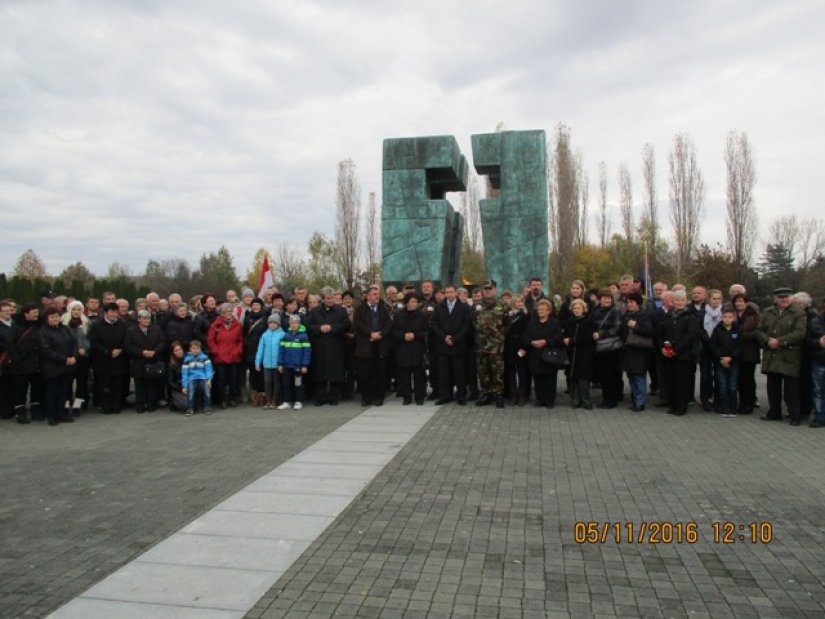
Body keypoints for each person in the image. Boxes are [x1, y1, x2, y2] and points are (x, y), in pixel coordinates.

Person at [756, 287, 807, 426]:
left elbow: (800, 333)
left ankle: (794, 415)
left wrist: (780, 341)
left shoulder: (798, 313)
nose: (784, 299)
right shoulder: (767, 312)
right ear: (775, 299)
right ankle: (774, 412)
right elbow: (759, 330)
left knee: (791, 388)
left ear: (791, 298)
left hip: (789, 354)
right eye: (781, 297)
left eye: (786, 297)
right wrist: (767, 340)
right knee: (773, 386)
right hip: (771, 354)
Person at [305, 287, 350, 406]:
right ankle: (320, 397)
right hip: (319, 347)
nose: (331, 301)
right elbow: (308, 326)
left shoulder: (341, 311)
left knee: (334, 373)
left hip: (335, 346)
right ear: (323, 299)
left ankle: (333, 397)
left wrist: (332, 328)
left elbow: (346, 324)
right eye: (328, 298)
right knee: (320, 373)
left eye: (332, 298)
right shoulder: (315, 311)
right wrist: (319, 328)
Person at [659, 290, 700, 416]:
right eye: (677, 300)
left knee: (681, 382)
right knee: (671, 381)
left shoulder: (690, 316)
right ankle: (673, 404)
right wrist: (663, 346)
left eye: (682, 300)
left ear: (685, 301)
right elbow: (661, 332)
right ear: (673, 301)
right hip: (668, 354)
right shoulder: (668, 315)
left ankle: (682, 407)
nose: (679, 302)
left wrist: (676, 350)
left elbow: (690, 336)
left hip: (683, 355)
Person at [353, 286, 392, 407]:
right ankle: (366, 397)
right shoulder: (360, 309)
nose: (377, 296)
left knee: (380, 373)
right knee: (365, 374)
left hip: (379, 345)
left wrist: (380, 334)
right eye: (374, 294)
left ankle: (379, 397)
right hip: (365, 346)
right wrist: (371, 333)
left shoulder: (383, 308)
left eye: (377, 294)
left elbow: (388, 324)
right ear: (368, 296)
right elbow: (358, 324)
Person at [432, 284, 471, 405]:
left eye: (451, 292)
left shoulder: (464, 307)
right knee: (444, 373)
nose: (449, 294)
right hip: (443, 345)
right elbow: (434, 324)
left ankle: (461, 396)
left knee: (459, 373)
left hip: (458, 345)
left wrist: (455, 339)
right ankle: (445, 396)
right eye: (447, 292)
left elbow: (466, 325)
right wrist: (444, 337)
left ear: (456, 293)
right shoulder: (439, 307)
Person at [37, 308, 77, 426]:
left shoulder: (66, 329)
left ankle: (61, 413)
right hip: (52, 367)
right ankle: (51, 415)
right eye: (52, 316)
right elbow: (46, 350)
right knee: (52, 392)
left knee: (63, 392)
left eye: (57, 316)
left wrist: (73, 356)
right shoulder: (43, 332)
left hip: (67, 366)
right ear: (47, 318)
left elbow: (74, 343)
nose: (55, 319)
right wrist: (64, 359)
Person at [473, 280, 510, 408]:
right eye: (485, 288)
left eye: (490, 288)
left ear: (495, 289)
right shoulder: (477, 306)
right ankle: (485, 394)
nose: (488, 291)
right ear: (483, 290)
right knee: (483, 372)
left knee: (497, 372)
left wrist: (499, 337)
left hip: (496, 346)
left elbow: (508, 324)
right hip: (481, 346)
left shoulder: (503, 305)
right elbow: (473, 323)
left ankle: (499, 395)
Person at [88, 302, 129, 414]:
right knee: (104, 384)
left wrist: (120, 350)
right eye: (111, 312)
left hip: (119, 358)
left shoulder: (123, 324)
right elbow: (94, 342)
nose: (114, 314)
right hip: (103, 359)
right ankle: (105, 405)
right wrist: (107, 351)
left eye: (115, 312)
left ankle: (116, 405)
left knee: (117, 384)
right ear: (105, 313)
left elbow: (127, 340)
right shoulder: (97, 325)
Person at [523, 299, 563, 409]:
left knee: (550, 379)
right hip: (535, 354)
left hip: (549, 355)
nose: (540, 311)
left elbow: (559, 338)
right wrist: (531, 342)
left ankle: (550, 401)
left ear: (548, 311)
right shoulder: (532, 322)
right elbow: (525, 336)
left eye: (543, 310)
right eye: (539, 309)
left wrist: (545, 342)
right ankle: (540, 399)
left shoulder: (555, 322)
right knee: (538, 379)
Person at [124, 309, 166, 413]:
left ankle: (151, 404)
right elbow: (128, 346)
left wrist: (154, 351)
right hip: (138, 360)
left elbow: (162, 342)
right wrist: (142, 352)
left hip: (152, 360)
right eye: (144, 318)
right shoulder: (131, 330)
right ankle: (140, 405)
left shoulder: (156, 329)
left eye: (148, 318)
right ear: (138, 319)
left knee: (151, 384)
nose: (147, 320)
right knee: (139, 385)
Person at [620, 292, 655, 412]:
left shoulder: (644, 315)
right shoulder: (625, 315)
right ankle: (635, 399)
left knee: (639, 377)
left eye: (632, 302)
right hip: (628, 350)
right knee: (631, 377)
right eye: (627, 302)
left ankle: (640, 402)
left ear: (638, 303)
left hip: (640, 351)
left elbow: (649, 331)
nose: (629, 304)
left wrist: (635, 326)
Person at [392, 293, 428, 405]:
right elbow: (393, 331)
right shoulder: (398, 315)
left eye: (416, 302)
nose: (414, 304)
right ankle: (407, 397)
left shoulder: (421, 315)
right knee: (405, 375)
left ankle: (419, 397)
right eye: (412, 302)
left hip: (417, 347)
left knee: (418, 374)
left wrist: (415, 335)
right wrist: (403, 336)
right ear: (407, 302)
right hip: (403, 348)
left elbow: (426, 332)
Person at [9, 304, 42, 423]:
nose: (36, 315)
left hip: (37, 363)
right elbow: (11, 345)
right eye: (34, 312)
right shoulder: (16, 327)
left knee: (36, 388)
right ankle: (20, 411)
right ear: (26, 314)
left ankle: (35, 410)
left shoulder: (39, 326)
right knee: (20, 389)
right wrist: (17, 360)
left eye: (37, 312)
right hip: (21, 364)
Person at [591, 289, 623, 409]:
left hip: (612, 348)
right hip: (599, 347)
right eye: (604, 298)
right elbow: (592, 325)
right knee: (603, 374)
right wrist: (594, 333)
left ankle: (611, 400)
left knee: (611, 375)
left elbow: (617, 328)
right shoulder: (594, 311)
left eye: (609, 298)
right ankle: (606, 398)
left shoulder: (615, 311)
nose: (607, 300)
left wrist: (601, 334)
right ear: (600, 300)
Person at [208, 303, 244, 408]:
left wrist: (237, 351)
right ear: (222, 313)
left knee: (233, 379)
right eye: (226, 312)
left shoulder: (237, 325)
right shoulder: (215, 325)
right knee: (221, 379)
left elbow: (240, 341)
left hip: (233, 356)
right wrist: (216, 352)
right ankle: (223, 399)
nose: (229, 313)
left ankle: (232, 398)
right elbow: (210, 341)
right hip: (220, 356)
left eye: (230, 311)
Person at [562, 299, 595, 409]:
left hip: (584, 353)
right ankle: (575, 400)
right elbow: (565, 334)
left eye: (579, 308)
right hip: (571, 353)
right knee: (573, 378)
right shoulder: (569, 321)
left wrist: (572, 340)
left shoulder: (588, 321)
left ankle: (586, 401)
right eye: (575, 308)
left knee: (583, 379)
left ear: (583, 309)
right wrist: (565, 340)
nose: (576, 310)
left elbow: (587, 338)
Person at [710, 307, 742, 418]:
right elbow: (713, 345)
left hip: (734, 362)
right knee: (722, 385)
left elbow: (740, 346)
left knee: (732, 385)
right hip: (720, 362)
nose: (727, 319)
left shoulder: (737, 329)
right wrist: (721, 358)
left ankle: (733, 408)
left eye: (730, 317)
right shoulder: (717, 329)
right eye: (725, 317)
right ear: (721, 317)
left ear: (734, 318)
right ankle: (724, 407)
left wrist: (731, 357)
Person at [731, 293, 760, 414]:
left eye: (741, 301)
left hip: (750, 352)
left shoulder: (754, 315)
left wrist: (742, 337)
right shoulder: (733, 315)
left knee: (748, 378)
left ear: (746, 302)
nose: (739, 303)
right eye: (737, 301)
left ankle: (750, 402)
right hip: (736, 352)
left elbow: (758, 331)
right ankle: (742, 402)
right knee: (739, 379)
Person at [61, 300, 91, 414]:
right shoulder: (63, 321)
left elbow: (90, 338)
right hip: (69, 356)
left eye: (79, 309)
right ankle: (66, 403)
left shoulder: (86, 322)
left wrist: (85, 348)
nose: (77, 312)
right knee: (67, 381)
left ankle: (78, 404)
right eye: (74, 309)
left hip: (83, 356)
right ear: (70, 310)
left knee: (82, 381)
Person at [279, 314, 311, 410]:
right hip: (287, 365)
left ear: (299, 323)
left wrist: (305, 365)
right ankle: (287, 401)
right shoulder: (286, 335)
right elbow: (281, 350)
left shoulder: (303, 336)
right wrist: (280, 363)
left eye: (295, 323)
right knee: (286, 383)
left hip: (298, 365)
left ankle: (298, 401)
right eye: (292, 323)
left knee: (298, 384)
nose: (293, 325)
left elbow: (307, 351)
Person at [504, 295, 530, 406]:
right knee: (510, 371)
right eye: (517, 301)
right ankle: (512, 395)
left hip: (521, 346)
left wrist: (524, 347)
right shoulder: (508, 315)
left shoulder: (526, 315)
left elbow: (528, 332)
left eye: (521, 302)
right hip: (509, 346)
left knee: (522, 372)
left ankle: (522, 395)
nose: (520, 303)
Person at [243, 297, 270, 406]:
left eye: (257, 305)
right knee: (253, 373)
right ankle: (255, 395)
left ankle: (263, 395)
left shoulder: (265, 318)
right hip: (250, 349)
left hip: (262, 348)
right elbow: (245, 332)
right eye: (254, 304)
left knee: (262, 372)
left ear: (261, 306)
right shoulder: (247, 317)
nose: (255, 306)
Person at [256, 313, 285, 410]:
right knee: (267, 382)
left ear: (278, 324)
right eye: (270, 322)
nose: (272, 324)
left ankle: (274, 401)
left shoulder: (282, 334)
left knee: (276, 382)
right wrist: (257, 362)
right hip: (267, 363)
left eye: (274, 322)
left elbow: (283, 350)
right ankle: (268, 401)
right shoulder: (264, 335)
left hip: (277, 364)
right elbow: (260, 349)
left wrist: (282, 363)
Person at [182, 339, 213, 415]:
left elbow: (209, 369)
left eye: (197, 348)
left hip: (203, 378)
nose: (195, 350)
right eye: (193, 348)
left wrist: (209, 379)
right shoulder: (187, 359)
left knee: (207, 391)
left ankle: (207, 407)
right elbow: (184, 373)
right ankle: (190, 408)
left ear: (200, 349)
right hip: (192, 378)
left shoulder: (205, 357)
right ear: (190, 349)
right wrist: (184, 386)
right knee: (191, 392)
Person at [807, 305, 825, 427]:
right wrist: (819, 342)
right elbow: (807, 341)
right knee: (818, 390)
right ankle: (819, 417)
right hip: (820, 360)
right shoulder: (815, 321)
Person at [0, 300, 15, 420]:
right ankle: (4, 410)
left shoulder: (14, 323)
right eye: (5, 311)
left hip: (15, 358)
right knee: (3, 386)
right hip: (3, 358)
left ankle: (12, 407)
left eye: (9, 311)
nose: (7, 313)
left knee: (12, 384)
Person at [167, 341, 189, 412]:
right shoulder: (171, 365)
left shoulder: (188, 360)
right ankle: (173, 402)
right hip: (177, 388)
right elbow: (170, 383)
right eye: (176, 350)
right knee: (186, 406)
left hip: (188, 385)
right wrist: (180, 389)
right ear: (173, 353)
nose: (179, 351)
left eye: (180, 349)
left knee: (194, 405)